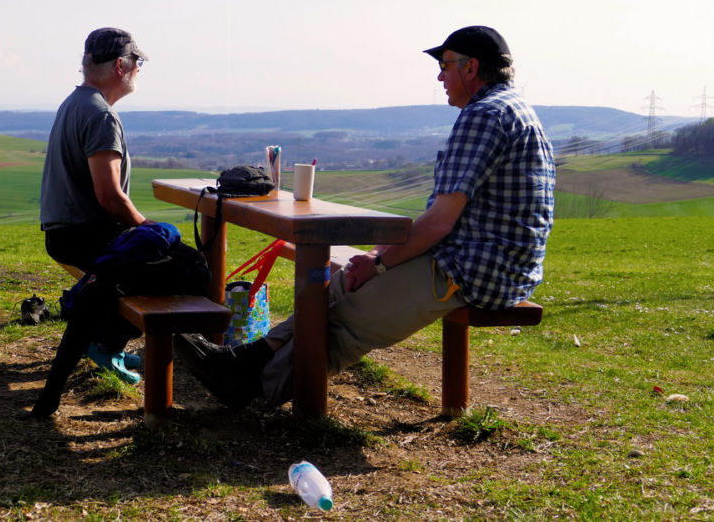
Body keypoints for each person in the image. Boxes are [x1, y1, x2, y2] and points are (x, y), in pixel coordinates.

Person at [175, 25, 556, 409]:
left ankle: (257, 387)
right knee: (339, 286)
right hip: (502, 266)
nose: (440, 75)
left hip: (475, 270)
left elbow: (440, 222)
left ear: (471, 67)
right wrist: (375, 259)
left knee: (344, 319)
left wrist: (379, 263)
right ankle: (246, 361)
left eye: (445, 65)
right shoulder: (515, 108)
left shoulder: (483, 116)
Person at [39, 27, 151, 385]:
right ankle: (104, 344)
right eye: (137, 62)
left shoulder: (74, 102)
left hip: (64, 231)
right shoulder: (101, 115)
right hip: (85, 234)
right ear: (120, 66)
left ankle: (103, 339)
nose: (139, 69)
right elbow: (110, 196)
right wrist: (145, 226)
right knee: (172, 270)